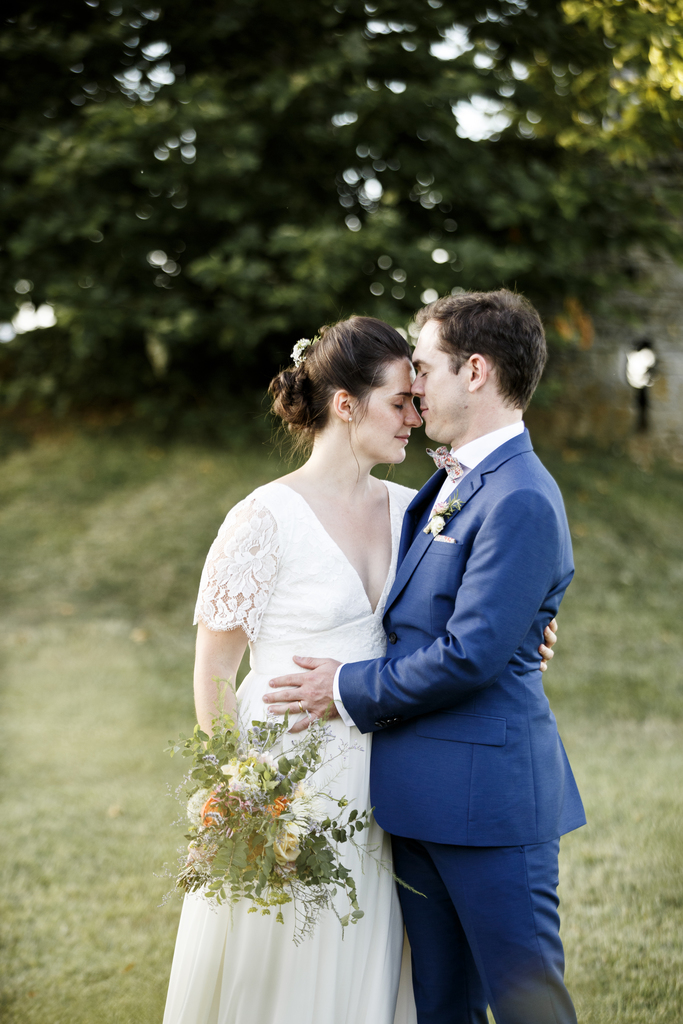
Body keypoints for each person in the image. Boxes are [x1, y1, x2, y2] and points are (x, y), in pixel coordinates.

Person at [163, 313, 558, 1024]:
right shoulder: (262, 516)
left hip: (387, 787)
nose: (414, 415)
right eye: (398, 402)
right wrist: (241, 792)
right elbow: (214, 669)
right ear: (345, 405)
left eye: (417, 397)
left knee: (375, 972)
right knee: (276, 963)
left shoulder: (416, 506)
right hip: (285, 774)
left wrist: (531, 628)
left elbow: (467, 617)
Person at [264, 290, 585, 1024]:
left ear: (474, 371)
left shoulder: (521, 497)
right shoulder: (446, 484)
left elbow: (470, 653)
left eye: (425, 368)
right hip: (416, 803)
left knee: (530, 1006)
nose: (415, 387)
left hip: (491, 806)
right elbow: (427, 617)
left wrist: (342, 686)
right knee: (440, 1009)